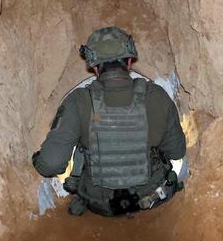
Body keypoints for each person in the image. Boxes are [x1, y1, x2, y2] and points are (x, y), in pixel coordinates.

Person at [32, 26, 186, 216]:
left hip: (99, 204)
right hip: (150, 197)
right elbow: (177, 151)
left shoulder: (78, 101)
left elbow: (51, 164)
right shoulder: (157, 97)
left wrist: (37, 159)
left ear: (94, 67)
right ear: (129, 62)